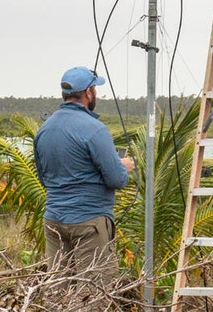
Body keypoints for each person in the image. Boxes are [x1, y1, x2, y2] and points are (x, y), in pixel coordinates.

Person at [33, 66, 136, 274]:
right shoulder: (95, 129)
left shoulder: (44, 130)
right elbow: (116, 180)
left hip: (53, 221)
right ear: (88, 93)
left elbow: (45, 179)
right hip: (89, 223)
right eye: (95, 89)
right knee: (94, 294)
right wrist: (122, 167)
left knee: (58, 291)